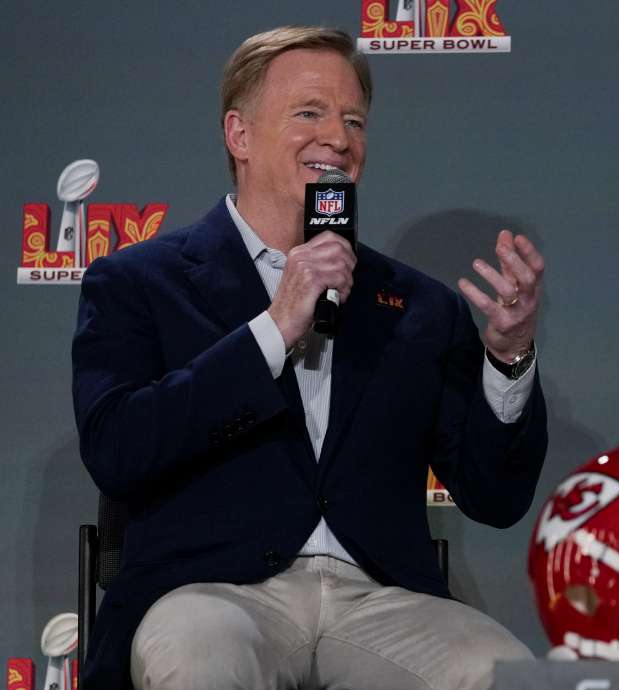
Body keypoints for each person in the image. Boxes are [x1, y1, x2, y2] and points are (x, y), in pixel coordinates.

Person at [71, 25, 547, 690]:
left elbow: (493, 495)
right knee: (201, 661)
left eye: (354, 119)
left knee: (505, 674)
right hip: (215, 595)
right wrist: (271, 330)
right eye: (310, 113)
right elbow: (119, 448)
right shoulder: (138, 283)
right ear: (239, 135)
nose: (339, 137)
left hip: (380, 603)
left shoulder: (418, 307)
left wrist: (509, 359)